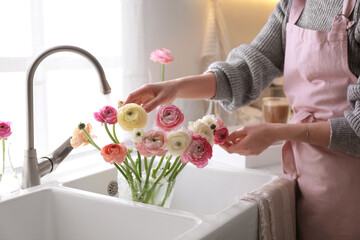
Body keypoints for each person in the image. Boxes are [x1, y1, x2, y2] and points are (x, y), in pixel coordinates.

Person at [124, 0, 360, 239]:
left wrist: (277, 132)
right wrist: (174, 87)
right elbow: (246, 69)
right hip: (306, 167)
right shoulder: (294, 5)